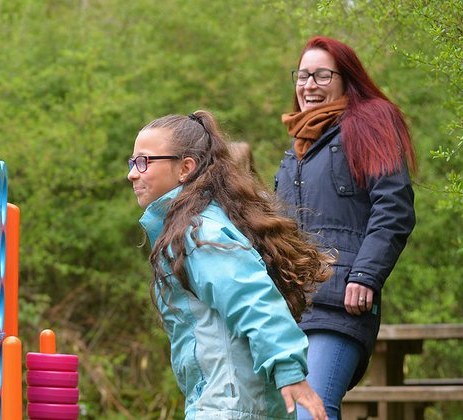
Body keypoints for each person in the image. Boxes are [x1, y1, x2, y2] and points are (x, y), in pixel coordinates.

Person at [129, 110, 332, 419]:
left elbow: (253, 298)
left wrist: (289, 368)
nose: (133, 173)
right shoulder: (189, 229)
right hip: (222, 401)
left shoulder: (200, 234)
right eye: (133, 162)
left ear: (185, 168)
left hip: (232, 406)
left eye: (144, 161)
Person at [276, 36, 416, 419]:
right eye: (302, 76)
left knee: (311, 413)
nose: (308, 85)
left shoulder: (370, 122)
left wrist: (366, 275)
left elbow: (394, 208)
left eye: (322, 75)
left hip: (342, 304)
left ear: (345, 79)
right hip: (293, 310)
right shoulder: (297, 150)